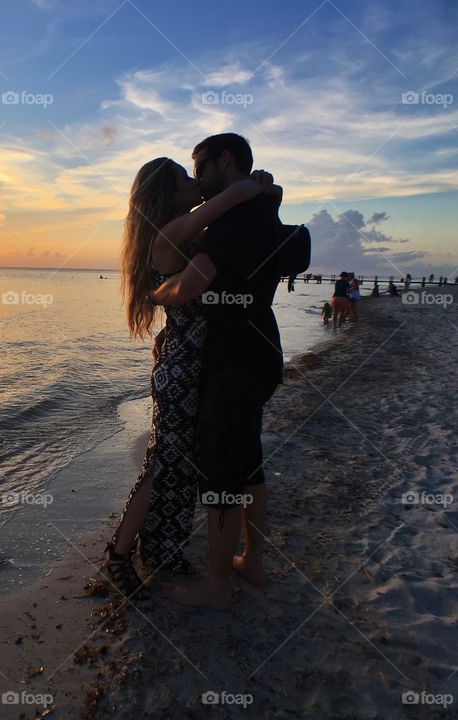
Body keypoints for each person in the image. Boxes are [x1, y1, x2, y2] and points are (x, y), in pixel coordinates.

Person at [105, 155, 277, 601]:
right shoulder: (170, 235)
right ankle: (118, 555)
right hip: (182, 367)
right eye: (185, 177)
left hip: (195, 363)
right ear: (168, 193)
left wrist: (265, 190)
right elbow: (234, 198)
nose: (193, 181)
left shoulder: (191, 233)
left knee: (181, 465)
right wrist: (252, 185)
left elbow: (232, 225)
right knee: (163, 463)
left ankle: (160, 549)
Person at [149, 133, 284, 610]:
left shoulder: (232, 219)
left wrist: (158, 294)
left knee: (222, 475)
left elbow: (190, 285)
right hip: (264, 349)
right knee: (250, 464)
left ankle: (217, 587)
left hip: (232, 360)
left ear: (225, 160)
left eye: (200, 167)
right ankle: (255, 563)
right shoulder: (263, 209)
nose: (199, 178)